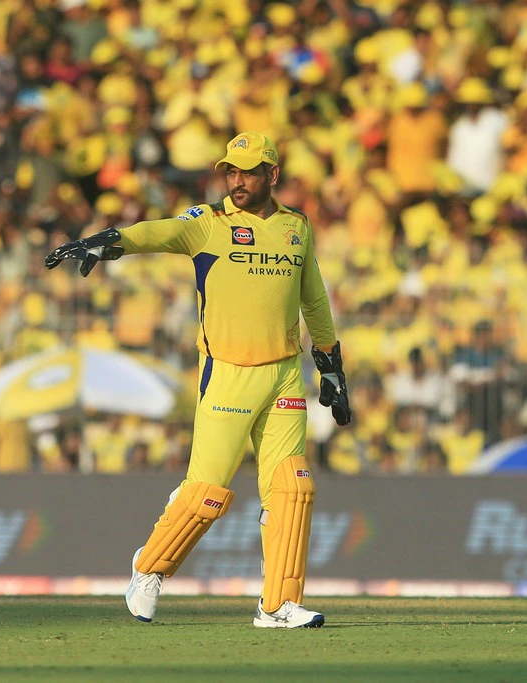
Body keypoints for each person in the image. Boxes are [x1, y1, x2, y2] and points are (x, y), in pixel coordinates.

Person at [45, 131, 352, 629]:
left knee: (293, 488)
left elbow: (313, 299)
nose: (237, 181)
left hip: (283, 376)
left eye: (248, 172)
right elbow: (158, 232)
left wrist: (330, 363)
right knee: (206, 494)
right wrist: (110, 241)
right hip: (228, 374)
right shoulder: (208, 223)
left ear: (273, 174)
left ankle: (278, 604)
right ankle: (149, 569)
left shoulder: (296, 227)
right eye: (231, 171)